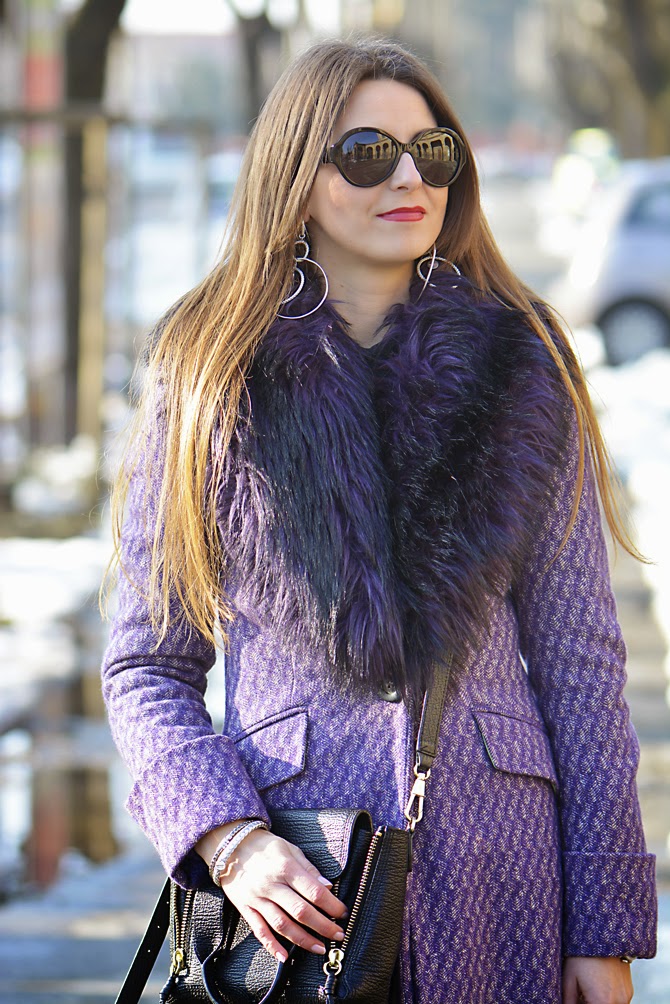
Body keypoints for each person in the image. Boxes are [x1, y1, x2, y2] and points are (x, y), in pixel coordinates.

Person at [102, 38, 657, 1004]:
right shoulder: (209, 372)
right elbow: (146, 665)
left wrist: (603, 929)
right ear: (294, 177)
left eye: (431, 152)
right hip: (296, 889)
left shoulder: (523, 362)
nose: (409, 178)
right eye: (367, 154)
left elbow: (581, 666)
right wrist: (228, 840)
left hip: (502, 883)